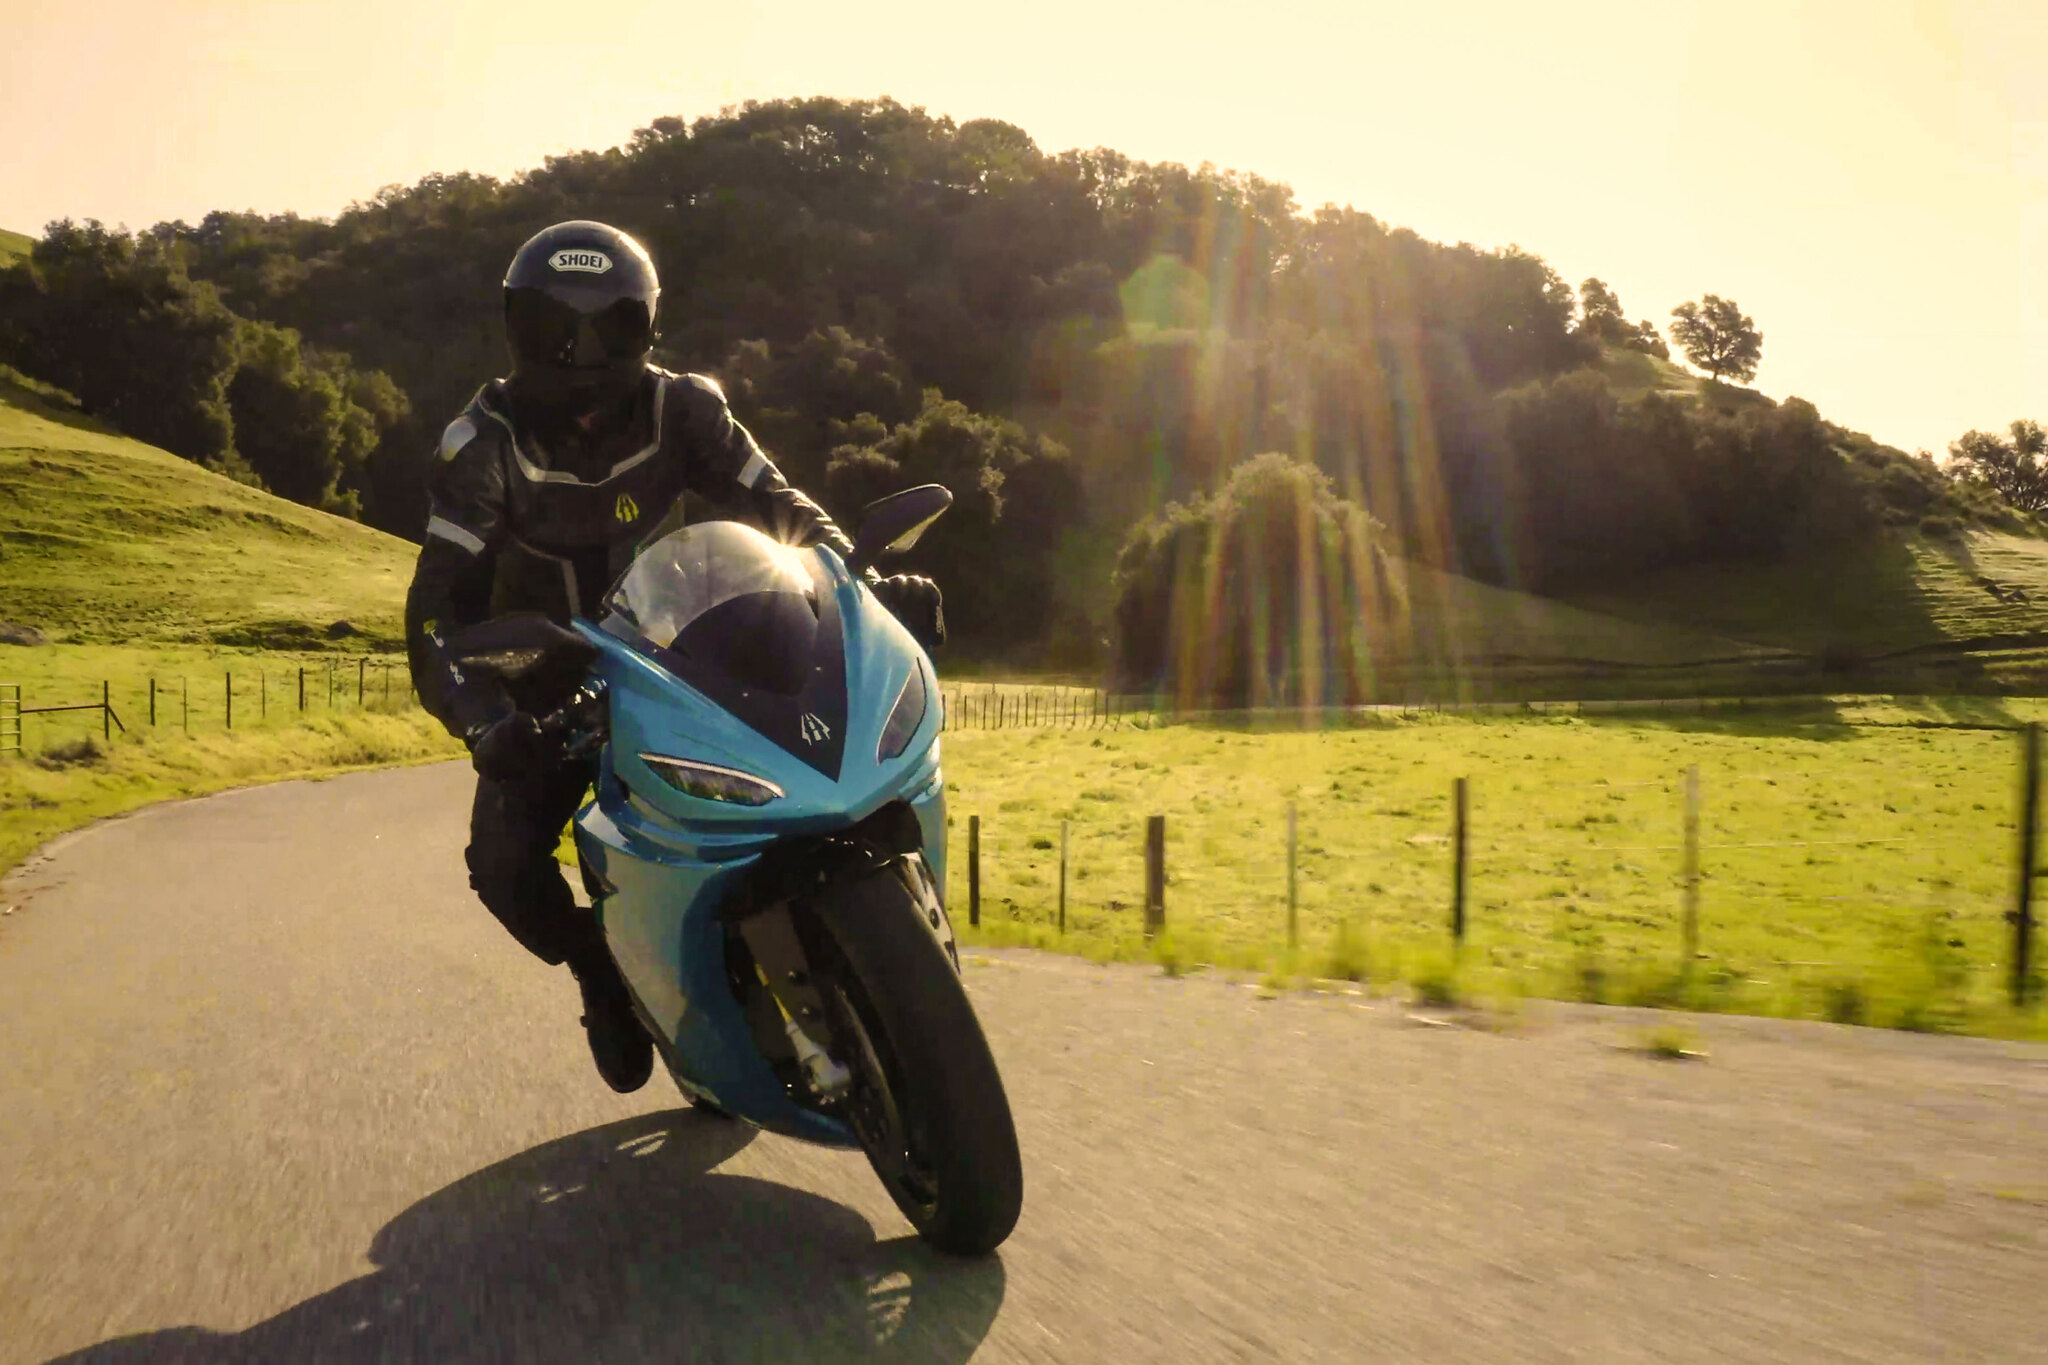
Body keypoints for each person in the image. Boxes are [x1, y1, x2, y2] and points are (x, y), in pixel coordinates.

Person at [404, 220, 943, 1093]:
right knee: (501, 868)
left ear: (647, 329)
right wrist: (486, 720)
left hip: (692, 648)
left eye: (606, 328)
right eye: (553, 328)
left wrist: (860, 581)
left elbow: (779, 504)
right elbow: (436, 609)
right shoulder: (483, 445)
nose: (579, 355)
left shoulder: (684, 406)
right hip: (552, 685)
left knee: (827, 756)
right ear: (513, 328)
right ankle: (598, 966)